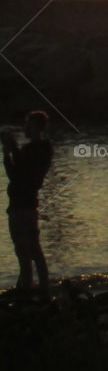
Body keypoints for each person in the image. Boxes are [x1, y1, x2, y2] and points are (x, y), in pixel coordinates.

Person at [1, 110, 52, 296]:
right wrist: (13, 149)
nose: (25, 129)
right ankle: (42, 286)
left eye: (28, 125)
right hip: (29, 204)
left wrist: (8, 152)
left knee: (23, 250)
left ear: (37, 127)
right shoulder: (44, 149)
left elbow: (16, 174)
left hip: (20, 206)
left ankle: (26, 288)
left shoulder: (34, 150)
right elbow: (23, 168)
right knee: (34, 248)